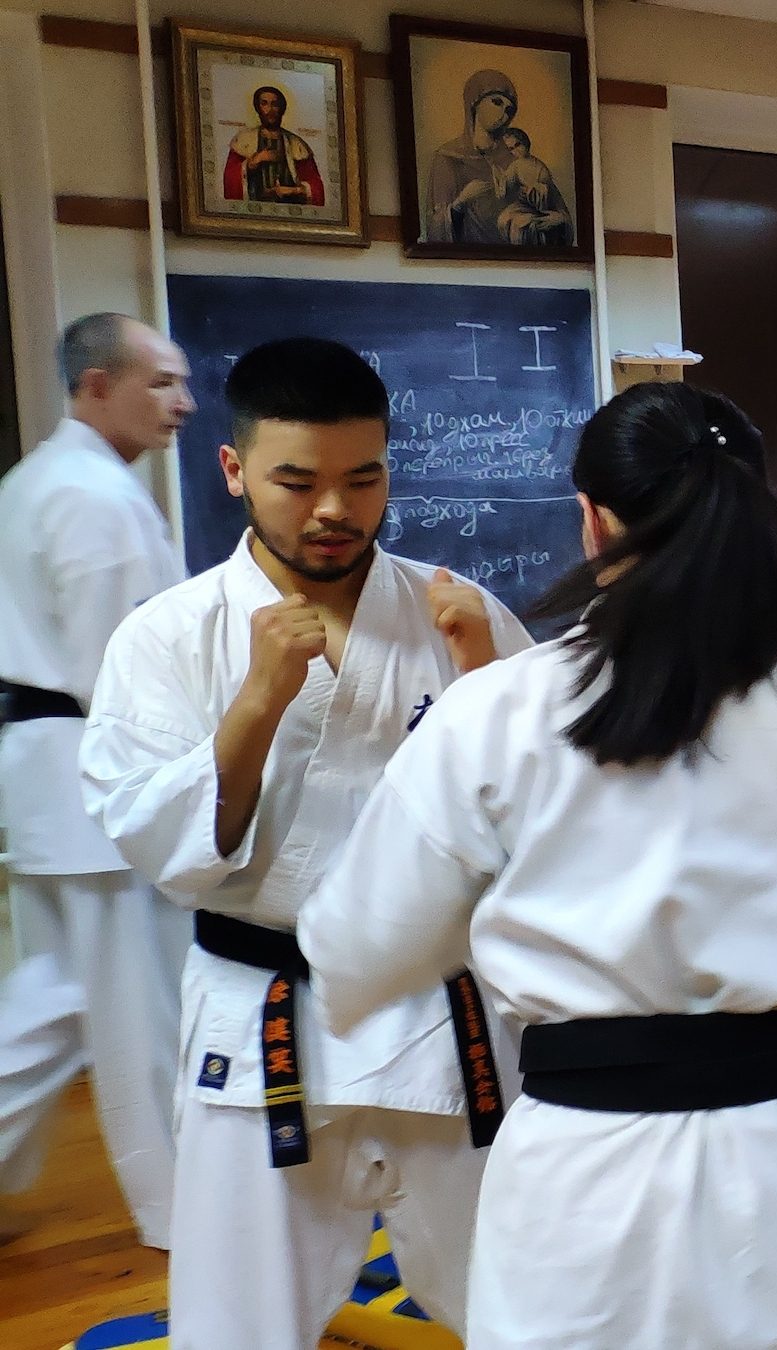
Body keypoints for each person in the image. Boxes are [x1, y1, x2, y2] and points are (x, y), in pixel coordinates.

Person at [296, 382, 777, 1347]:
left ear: (592, 520)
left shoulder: (499, 712)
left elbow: (362, 944)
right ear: (754, 505)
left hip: (590, 1174)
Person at [80, 337, 529, 1349]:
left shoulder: (460, 616)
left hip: (444, 1018)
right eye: (298, 482)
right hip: (265, 1018)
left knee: (521, 1301)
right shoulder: (168, 636)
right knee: (239, 1320)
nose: (334, 509)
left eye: (363, 479)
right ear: (234, 470)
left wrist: (487, 681)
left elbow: (546, 814)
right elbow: (160, 841)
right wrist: (257, 702)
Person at [0, 314, 191, 1248]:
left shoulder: (32, 481)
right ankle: (181, 1210)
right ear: (96, 386)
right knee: (138, 1015)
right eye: (160, 382)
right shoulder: (94, 497)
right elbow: (119, 671)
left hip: (45, 776)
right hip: (94, 775)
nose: (182, 403)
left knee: (61, 997)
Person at [424, 70, 519, 246]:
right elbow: (435, 229)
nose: (503, 114)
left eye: (509, 110)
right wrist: (461, 202)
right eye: (496, 102)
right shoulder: (448, 158)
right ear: (475, 103)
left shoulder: (514, 162)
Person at [223, 86, 325, 207]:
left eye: (275, 104)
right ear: (258, 108)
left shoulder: (297, 144)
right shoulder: (243, 139)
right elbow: (230, 178)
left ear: (282, 109)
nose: (270, 110)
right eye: (264, 104)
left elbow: (316, 186)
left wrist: (294, 190)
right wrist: (253, 162)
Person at [490, 128, 569, 246]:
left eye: (517, 145)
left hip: (541, 206)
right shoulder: (515, 166)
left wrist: (532, 191)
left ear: (525, 142)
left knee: (521, 224)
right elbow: (505, 189)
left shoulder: (540, 167)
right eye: (511, 149)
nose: (516, 150)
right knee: (503, 218)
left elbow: (546, 193)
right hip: (524, 205)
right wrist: (498, 176)